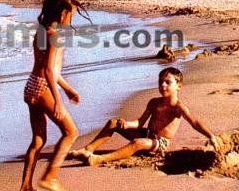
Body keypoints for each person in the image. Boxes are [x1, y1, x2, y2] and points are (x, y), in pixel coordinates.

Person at [18, 0, 92, 191]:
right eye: (72, 15)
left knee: (38, 140)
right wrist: (59, 101)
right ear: (63, 12)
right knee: (71, 132)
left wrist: (68, 89)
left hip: (31, 85)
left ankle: (25, 187)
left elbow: (48, 69)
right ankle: (50, 177)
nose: (72, 20)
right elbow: (50, 71)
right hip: (42, 88)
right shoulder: (56, 35)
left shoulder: (41, 32)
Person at [69, 67, 223, 166]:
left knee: (137, 142)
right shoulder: (153, 102)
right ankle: (88, 150)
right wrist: (127, 125)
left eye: (168, 82)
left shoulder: (178, 107)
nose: (163, 85)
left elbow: (194, 122)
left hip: (160, 142)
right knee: (113, 122)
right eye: (161, 82)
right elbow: (140, 122)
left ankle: (100, 159)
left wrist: (211, 136)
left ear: (178, 86)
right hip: (147, 134)